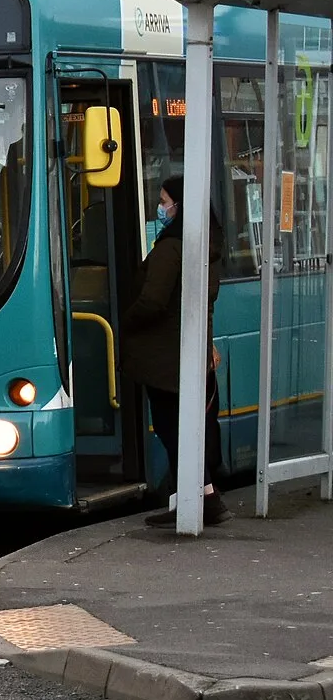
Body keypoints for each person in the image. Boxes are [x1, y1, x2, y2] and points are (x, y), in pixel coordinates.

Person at [123, 175, 229, 527]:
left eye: (164, 200)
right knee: (189, 426)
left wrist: (127, 321)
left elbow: (153, 300)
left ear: (179, 206)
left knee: (172, 428)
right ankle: (197, 498)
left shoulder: (172, 247)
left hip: (165, 356)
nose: (161, 207)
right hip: (187, 350)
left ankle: (202, 500)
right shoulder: (206, 245)